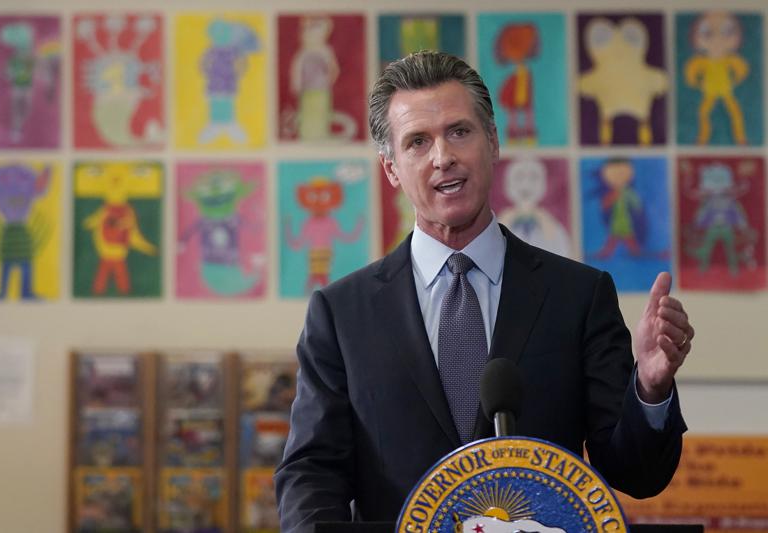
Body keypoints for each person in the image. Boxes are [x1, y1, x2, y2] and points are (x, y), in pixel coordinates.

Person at [275, 51, 693, 531]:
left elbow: (636, 474)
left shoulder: (578, 296)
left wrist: (650, 387)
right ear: (391, 169)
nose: (443, 157)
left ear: (492, 142)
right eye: (417, 142)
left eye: (459, 131)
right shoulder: (341, 313)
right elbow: (311, 473)